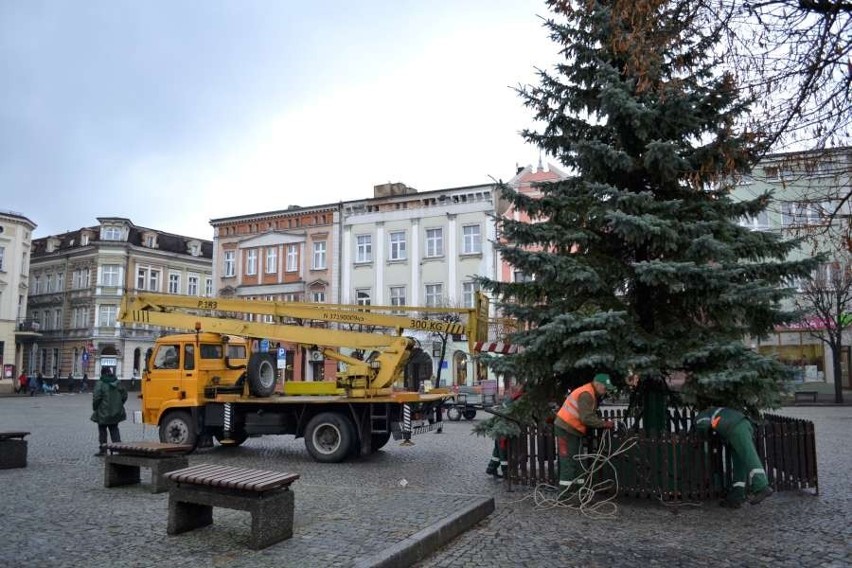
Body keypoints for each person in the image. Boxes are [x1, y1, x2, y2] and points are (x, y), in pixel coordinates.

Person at [695, 406, 773, 508]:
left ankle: (762, 486)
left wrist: (705, 434)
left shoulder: (700, 417)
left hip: (734, 428)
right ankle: (737, 496)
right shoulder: (717, 411)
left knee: (749, 455)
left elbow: (704, 424)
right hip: (741, 425)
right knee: (739, 463)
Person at [553, 373, 615, 492]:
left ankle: (579, 491)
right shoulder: (587, 394)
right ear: (597, 384)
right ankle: (565, 495)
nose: (606, 390)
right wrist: (604, 424)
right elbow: (586, 418)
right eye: (605, 387)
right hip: (567, 429)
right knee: (569, 461)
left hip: (570, 429)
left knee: (577, 460)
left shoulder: (589, 392)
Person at [90, 367, 127, 456]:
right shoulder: (118, 382)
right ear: (110, 372)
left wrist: (95, 408)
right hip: (116, 412)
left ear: (102, 373)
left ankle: (103, 450)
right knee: (114, 429)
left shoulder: (100, 383)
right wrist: (118, 405)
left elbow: (96, 398)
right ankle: (119, 449)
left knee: (102, 431)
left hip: (103, 412)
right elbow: (124, 395)